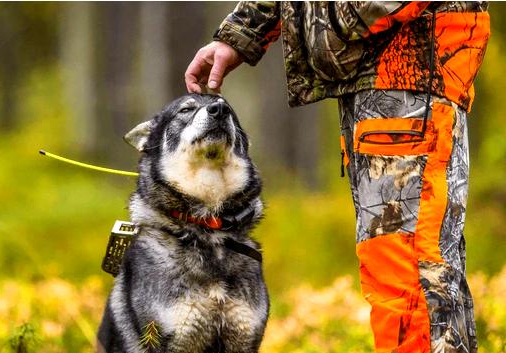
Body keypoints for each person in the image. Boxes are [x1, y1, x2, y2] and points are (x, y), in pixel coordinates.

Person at [185, 2, 490, 352]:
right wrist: (243, 33)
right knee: (404, 275)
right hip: (375, 77)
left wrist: (335, 24)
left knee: (410, 280)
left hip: (406, 70)